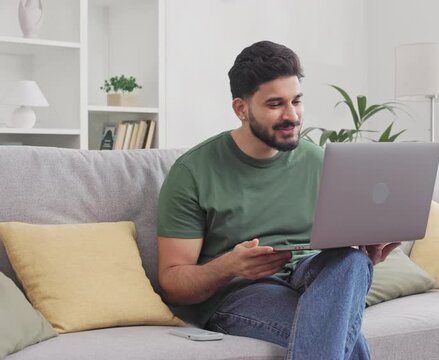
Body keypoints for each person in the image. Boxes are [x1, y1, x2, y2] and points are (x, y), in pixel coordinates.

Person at [157, 40, 400, 360]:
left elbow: (344, 249)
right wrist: (229, 265)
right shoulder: (193, 172)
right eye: (275, 105)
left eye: (296, 101)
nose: (292, 115)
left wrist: (369, 255)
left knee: (352, 261)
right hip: (242, 292)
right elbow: (173, 283)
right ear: (241, 109)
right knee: (338, 337)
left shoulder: (319, 160)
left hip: (312, 276)